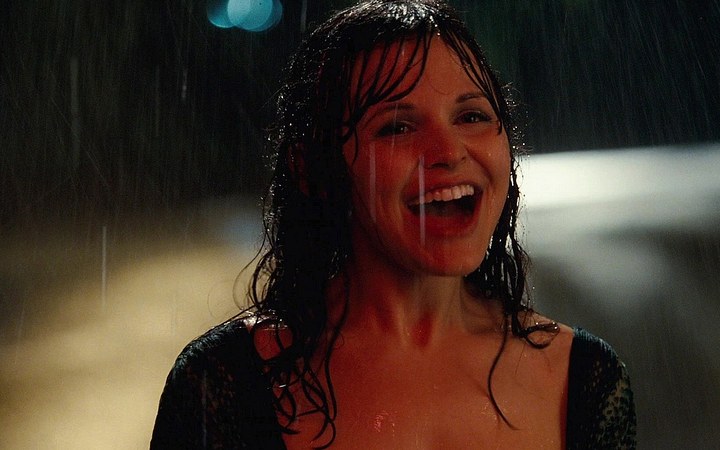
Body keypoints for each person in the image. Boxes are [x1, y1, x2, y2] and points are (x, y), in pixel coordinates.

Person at [151, 0, 636, 448]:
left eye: (471, 116)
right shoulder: (224, 385)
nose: (449, 152)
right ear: (313, 170)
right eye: (397, 127)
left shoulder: (583, 379)